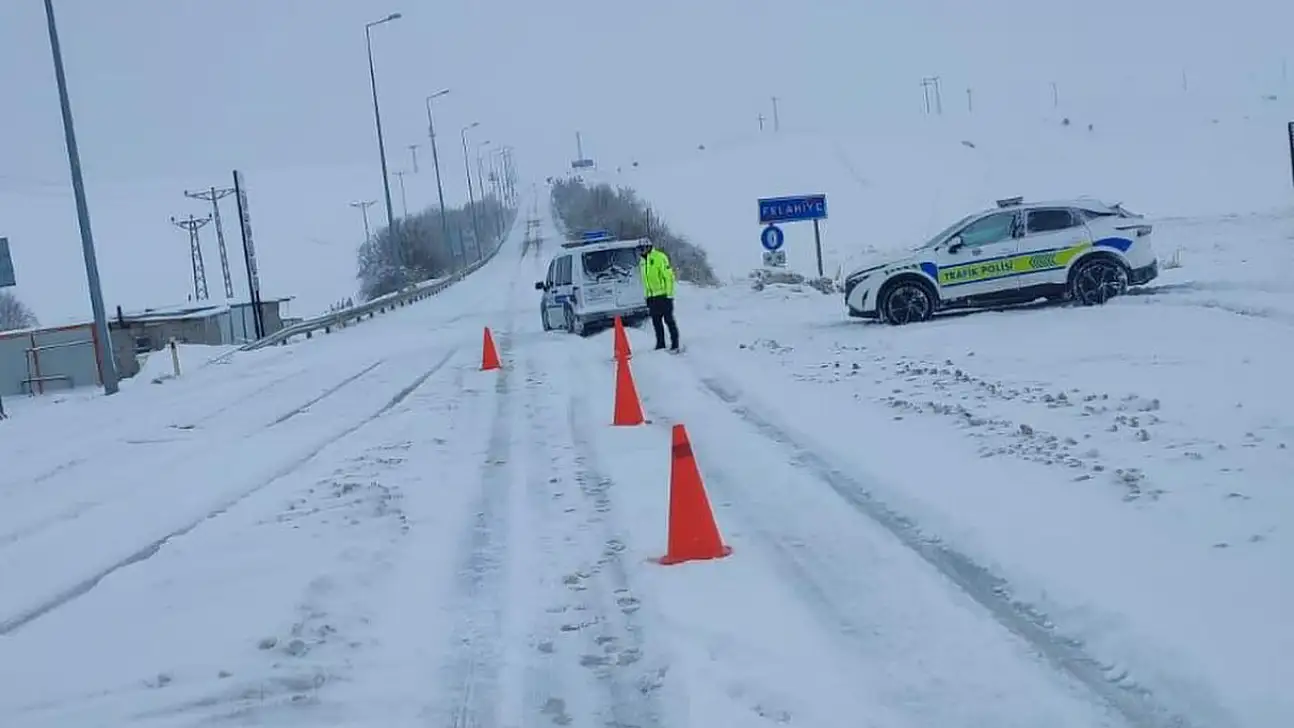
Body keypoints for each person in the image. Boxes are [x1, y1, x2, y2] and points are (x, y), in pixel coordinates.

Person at [638, 240, 679, 351]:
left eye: (643, 248)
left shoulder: (659, 257)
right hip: (652, 298)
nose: (641, 251)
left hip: (663, 296)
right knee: (656, 323)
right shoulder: (642, 262)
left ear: (649, 247)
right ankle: (660, 344)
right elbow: (645, 281)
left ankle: (675, 343)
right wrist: (647, 296)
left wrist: (669, 295)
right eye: (640, 249)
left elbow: (669, 277)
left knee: (669, 321)